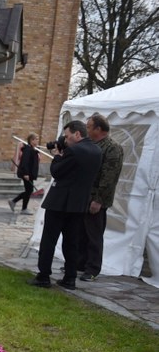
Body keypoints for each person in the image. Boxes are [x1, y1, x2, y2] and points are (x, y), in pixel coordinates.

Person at [29, 120, 102, 290]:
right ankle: (70, 278)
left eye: (68, 137)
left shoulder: (74, 151)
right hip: (79, 204)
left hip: (60, 202)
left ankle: (44, 276)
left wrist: (56, 155)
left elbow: (57, 172)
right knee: (72, 243)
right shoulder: (97, 150)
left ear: (78, 134)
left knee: (49, 240)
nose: (66, 140)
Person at [78, 114, 124, 282]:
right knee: (81, 232)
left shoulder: (112, 148)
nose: (86, 129)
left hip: (97, 199)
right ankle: (80, 263)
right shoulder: (91, 145)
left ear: (98, 129)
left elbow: (109, 177)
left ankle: (92, 269)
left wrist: (98, 199)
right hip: (84, 195)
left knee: (93, 235)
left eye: (89, 127)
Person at [8, 133, 41, 215]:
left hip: (30, 173)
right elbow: (25, 162)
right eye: (36, 139)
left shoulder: (32, 149)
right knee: (29, 190)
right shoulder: (28, 149)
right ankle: (18, 205)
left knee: (29, 190)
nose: (37, 141)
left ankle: (16, 203)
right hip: (27, 173)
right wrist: (26, 174)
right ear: (31, 140)